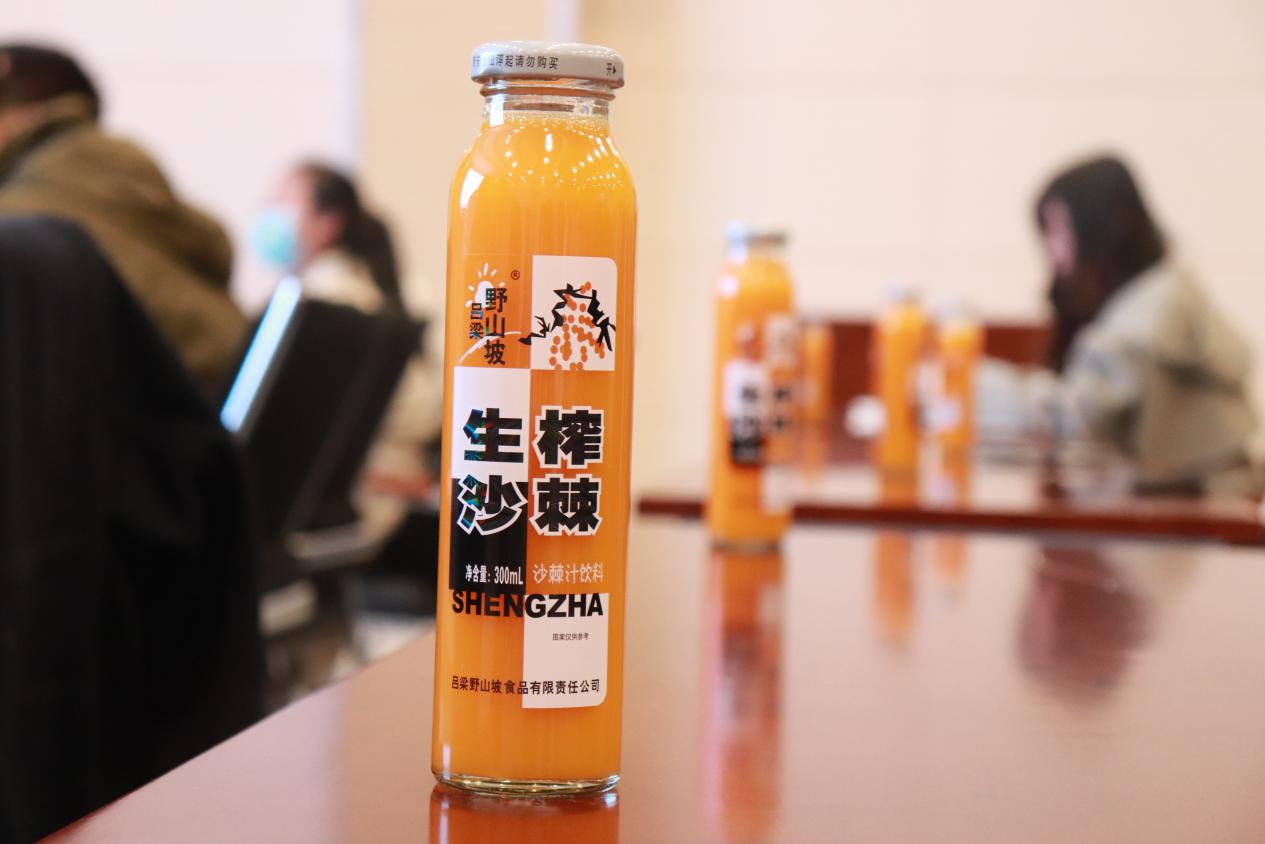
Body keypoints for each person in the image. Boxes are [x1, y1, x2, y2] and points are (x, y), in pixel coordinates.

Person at [984, 154, 1261, 496]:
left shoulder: (1151, 313)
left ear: (1099, 226)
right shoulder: (1164, 290)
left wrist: (968, 383)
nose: (1053, 252)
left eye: (1058, 232)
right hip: (1199, 503)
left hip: (1199, 513)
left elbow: (1073, 420)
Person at [0, 44, 246, 390]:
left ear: (19, 113)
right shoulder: (119, 168)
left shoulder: (21, 216)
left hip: (173, 409)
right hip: (238, 392)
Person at [250, 161, 441, 478]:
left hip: (370, 477)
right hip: (382, 472)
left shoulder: (327, 299)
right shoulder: (362, 285)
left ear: (328, 222)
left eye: (283, 201)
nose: (269, 213)